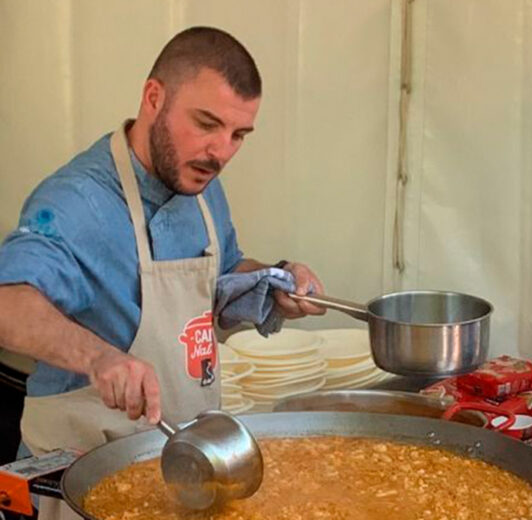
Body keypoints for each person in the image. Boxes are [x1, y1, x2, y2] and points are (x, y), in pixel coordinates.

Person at [0, 26, 324, 519]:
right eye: (207, 123)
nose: (221, 152)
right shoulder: (76, 202)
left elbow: (222, 274)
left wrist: (274, 281)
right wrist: (99, 358)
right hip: (77, 482)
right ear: (154, 97)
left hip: (179, 475)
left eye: (238, 135)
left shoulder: (201, 185)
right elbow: (8, 303)